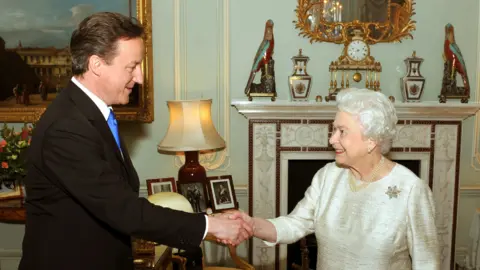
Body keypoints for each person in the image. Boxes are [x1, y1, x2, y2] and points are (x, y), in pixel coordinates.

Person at [19, 12, 251, 270]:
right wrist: (210, 225)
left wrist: (207, 220)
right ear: (96, 64)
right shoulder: (66, 127)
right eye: (131, 67)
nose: (140, 77)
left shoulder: (92, 115)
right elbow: (123, 210)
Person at [228, 88, 440, 269]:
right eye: (333, 130)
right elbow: (295, 224)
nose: (332, 139)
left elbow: (427, 264)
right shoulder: (328, 176)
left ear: (371, 140)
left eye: (341, 131)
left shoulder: (411, 190)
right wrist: (251, 225)